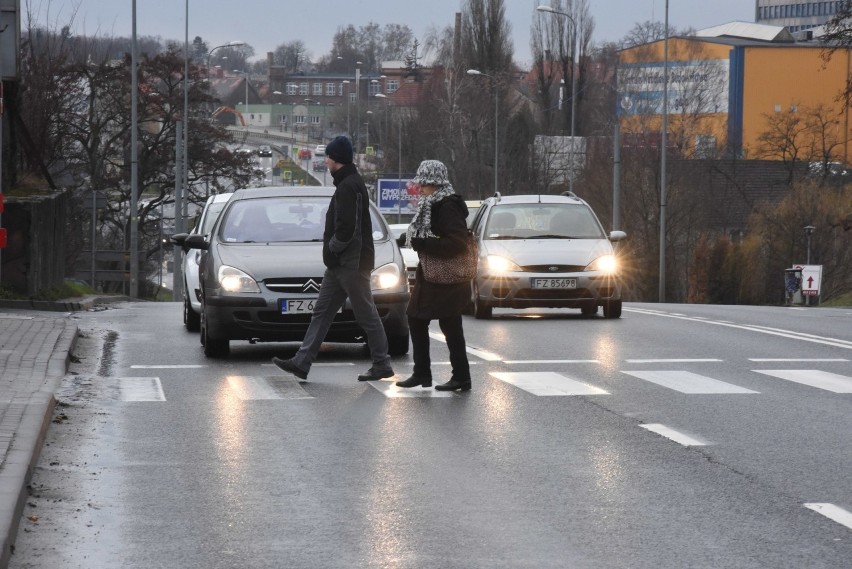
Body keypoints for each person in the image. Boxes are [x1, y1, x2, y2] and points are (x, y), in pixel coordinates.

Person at [272, 135, 394, 382]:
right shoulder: (347, 183)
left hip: (351, 264)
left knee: (366, 314)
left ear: (336, 159)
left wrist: (333, 248)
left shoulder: (349, 186)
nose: (325, 160)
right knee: (322, 313)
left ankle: (382, 363)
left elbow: (348, 228)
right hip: (339, 265)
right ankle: (301, 362)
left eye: (328, 156)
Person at [395, 160, 472, 391]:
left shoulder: (447, 206)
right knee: (425, 320)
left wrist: (423, 243)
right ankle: (430, 374)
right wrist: (405, 240)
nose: (420, 188)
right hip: (433, 274)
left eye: (424, 184)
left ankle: (452, 376)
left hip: (446, 277)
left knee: (438, 323)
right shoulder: (433, 203)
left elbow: (457, 243)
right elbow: (427, 234)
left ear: (435, 183)